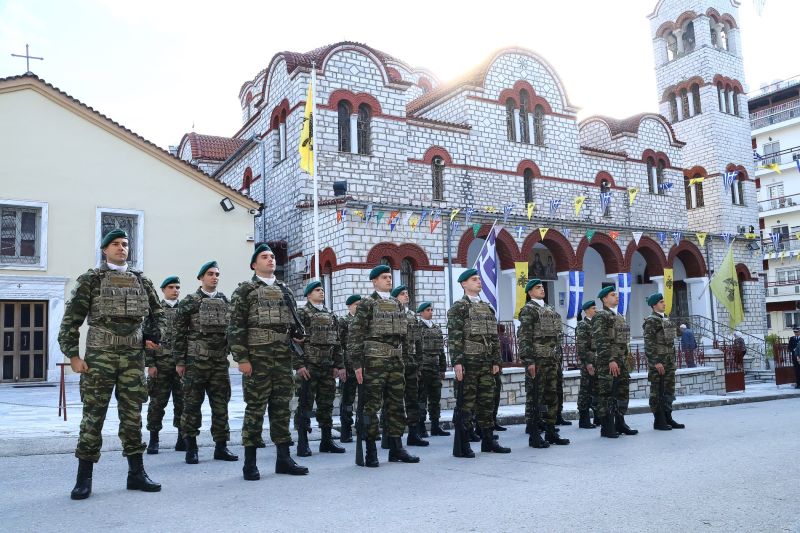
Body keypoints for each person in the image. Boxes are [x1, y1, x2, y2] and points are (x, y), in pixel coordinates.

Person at [58, 229, 162, 500]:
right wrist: (74, 356)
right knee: (94, 417)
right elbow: (71, 320)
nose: (121, 248)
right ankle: (84, 479)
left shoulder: (142, 281)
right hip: (99, 358)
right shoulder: (91, 280)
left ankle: (136, 474)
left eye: (125, 244)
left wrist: (154, 334)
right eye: (115, 244)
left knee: (132, 416)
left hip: (132, 358)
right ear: (105, 250)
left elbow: (158, 312)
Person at [227, 243, 308, 480]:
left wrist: (297, 336)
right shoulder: (245, 291)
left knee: (282, 409)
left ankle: (284, 459)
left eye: (272, 256)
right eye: (264, 257)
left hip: (282, 358)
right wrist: (241, 358)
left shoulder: (286, 290)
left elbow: (293, 324)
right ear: (254, 264)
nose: (271, 260)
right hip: (257, 359)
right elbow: (235, 327)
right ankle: (250, 463)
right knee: (255, 410)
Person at [348, 265, 419, 467]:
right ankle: (370, 450)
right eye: (384, 277)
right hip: (374, 362)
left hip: (396, 361)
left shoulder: (397, 304)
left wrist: (404, 359)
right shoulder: (367, 304)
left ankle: (396, 447)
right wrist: (357, 364)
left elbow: (403, 335)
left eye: (390, 277)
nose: (389, 280)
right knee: (372, 406)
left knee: (396, 405)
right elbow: (355, 334)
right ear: (374, 281)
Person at [173, 261, 238, 464]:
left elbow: (231, 332)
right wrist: (180, 361)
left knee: (221, 406)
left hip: (219, 363)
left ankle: (221, 447)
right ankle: (191, 447)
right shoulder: (190, 301)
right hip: (195, 363)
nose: (214, 277)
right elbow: (178, 333)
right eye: (210, 274)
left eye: (217, 274)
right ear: (201, 277)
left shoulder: (225, 301)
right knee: (192, 405)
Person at [447, 269, 510, 457]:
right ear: (464, 284)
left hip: (486, 364)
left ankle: (488, 440)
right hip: (469, 363)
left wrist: (496, 360)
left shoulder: (487, 308)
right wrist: (457, 362)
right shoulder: (458, 308)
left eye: (479, 279)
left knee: (487, 403)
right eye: (474, 280)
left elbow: (493, 337)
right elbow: (455, 337)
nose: (479, 282)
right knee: (466, 404)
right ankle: (464, 443)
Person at [294, 280, 346, 456]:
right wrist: (299, 365)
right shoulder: (302, 313)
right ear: (309, 295)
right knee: (305, 405)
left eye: (322, 290)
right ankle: (303, 441)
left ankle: (326, 440)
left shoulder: (331, 314)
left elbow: (337, 342)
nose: (321, 292)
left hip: (327, 368)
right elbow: (294, 342)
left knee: (326, 405)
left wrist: (339, 365)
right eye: (317, 290)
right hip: (309, 367)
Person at [517, 278, 569, 447]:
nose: (542, 289)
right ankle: (534, 434)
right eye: (538, 287)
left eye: (542, 287)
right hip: (538, 361)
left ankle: (551, 430)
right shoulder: (528, 310)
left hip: (552, 360)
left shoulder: (550, 309)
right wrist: (529, 361)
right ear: (530, 292)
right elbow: (524, 337)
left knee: (551, 396)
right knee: (536, 397)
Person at [145, 276, 185, 454]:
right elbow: (146, 339)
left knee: (182, 402)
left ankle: (181, 438)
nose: (175, 290)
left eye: (177, 287)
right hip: (160, 365)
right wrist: (150, 364)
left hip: (180, 365)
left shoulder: (185, 310)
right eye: (171, 287)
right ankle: (154, 439)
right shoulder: (154, 311)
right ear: (163, 290)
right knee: (157, 403)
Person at [592, 285, 638, 439]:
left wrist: (627, 358)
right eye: (612, 295)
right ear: (605, 299)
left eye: (616, 295)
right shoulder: (601, 316)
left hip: (622, 361)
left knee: (621, 393)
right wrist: (610, 360)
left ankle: (620, 422)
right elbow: (601, 341)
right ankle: (607, 426)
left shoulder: (618, 316)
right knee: (607, 394)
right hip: (609, 362)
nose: (616, 297)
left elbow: (623, 341)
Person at [390, 284, 428, 446]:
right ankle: (390, 436)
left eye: (407, 293)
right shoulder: (390, 313)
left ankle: (413, 433)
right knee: (393, 400)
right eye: (403, 294)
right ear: (395, 297)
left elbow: (419, 341)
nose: (406, 296)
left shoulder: (412, 316)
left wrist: (419, 363)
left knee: (412, 398)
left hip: (411, 362)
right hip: (396, 361)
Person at [643, 293, 685, 430]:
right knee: (657, 391)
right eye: (661, 302)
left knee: (669, 390)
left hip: (669, 362)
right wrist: (656, 362)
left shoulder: (665, 319)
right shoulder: (651, 321)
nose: (664, 304)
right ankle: (659, 419)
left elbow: (673, 339)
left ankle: (668, 417)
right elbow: (649, 343)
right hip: (659, 363)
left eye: (664, 301)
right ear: (654, 305)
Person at [415, 302, 449, 437]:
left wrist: (442, 368)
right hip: (423, 368)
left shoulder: (436, 329)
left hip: (434, 368)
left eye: (431, 310)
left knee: (435, 399)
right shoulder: (417, 328)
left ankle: (435, 425)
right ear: (421, 312)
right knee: (421, 399)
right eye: (428, 310)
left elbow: (441, 350)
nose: (430, 312)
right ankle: (421, 426)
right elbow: (415, 349)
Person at [337, 294, 362, 442]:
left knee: (364, 401)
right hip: (348, 365)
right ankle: (346, 431)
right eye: (357, 305)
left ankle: (363, 429)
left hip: (362, 366)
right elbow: (339, 345)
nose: (359, 307)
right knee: (347, 400)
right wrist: (341, 366)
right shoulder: (344, 321)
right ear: (350, 306)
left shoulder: (364, 322)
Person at [576, 299, 598, 429]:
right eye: (594, 308)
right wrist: (588, 363)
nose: (596, 310)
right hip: (588, 364)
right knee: (586, 390)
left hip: (597, 362)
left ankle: (597, 417)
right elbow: (582, 346)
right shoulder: (583, 325)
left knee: (596, 390)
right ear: (587, 311)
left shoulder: (595, 324)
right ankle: (583, 419)